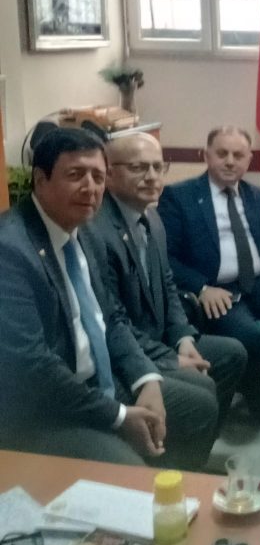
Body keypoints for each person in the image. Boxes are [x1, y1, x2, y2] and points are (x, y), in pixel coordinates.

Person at [0, 128, 218, 468]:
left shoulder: (85, 230)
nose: (90, 187)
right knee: (129, 467)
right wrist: (118, 415)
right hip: (47, 410)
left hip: (102, 379)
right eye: (76, 175)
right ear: (40, 180)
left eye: (98, 177)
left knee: (200, 403)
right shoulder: (11, 250)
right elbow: (33, 366)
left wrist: (145, 378)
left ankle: (165, 483)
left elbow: (110, 318)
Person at [157, 126, 260, 423]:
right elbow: (166, 257)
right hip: (217, 289)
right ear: (206, 156)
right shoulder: (179, 197)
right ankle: (258, 405)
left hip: (258, 281)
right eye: (222, 153)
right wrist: (201, 287)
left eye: (238, 155)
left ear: (249, 160)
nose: (230, 161)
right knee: (249, 335)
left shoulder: (255, 195)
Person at [90, 132, 247, 427]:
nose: (152, 177)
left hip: (160, 338)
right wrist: (170, 358)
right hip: (127, 351)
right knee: (202, 390)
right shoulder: (97, 231)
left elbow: (168, 284)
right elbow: (112, 320)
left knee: (232, 353)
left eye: (158, 167)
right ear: (109, 174)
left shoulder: (152, 218)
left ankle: (198, 440)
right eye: (138, 168)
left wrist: (182, 338)